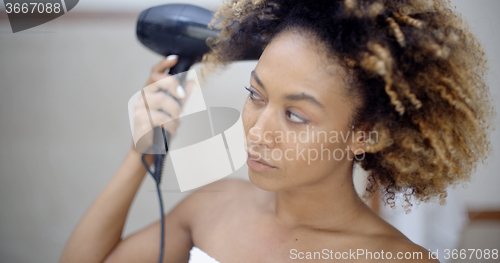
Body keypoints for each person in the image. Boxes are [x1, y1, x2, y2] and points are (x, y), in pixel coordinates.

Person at [59, 0, 494, 262]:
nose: (258, 131)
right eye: (256, 94)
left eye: (296, 115)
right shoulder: (216, 207)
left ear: (368, 134)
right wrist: (141, 151)